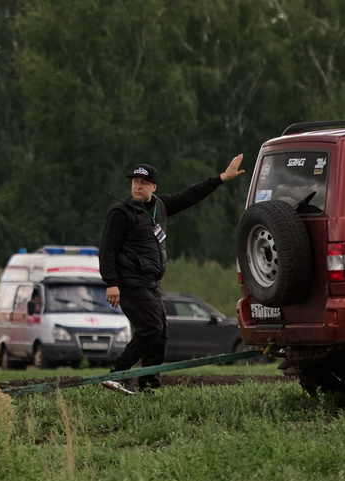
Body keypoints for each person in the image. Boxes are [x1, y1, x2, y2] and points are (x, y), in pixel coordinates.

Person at [99, 156, 244, 394]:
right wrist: (111, 283)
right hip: (129, 283)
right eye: (135, 181)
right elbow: (107, 250)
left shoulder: (160, 206)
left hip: (151, 284)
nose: (137, 185)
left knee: (160, 334)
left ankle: (149, 386)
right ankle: (119, 372)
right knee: (151, 328)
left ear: (153, 187)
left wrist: (220, 179)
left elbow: (190, 195)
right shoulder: (120, 212)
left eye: (143, 182)